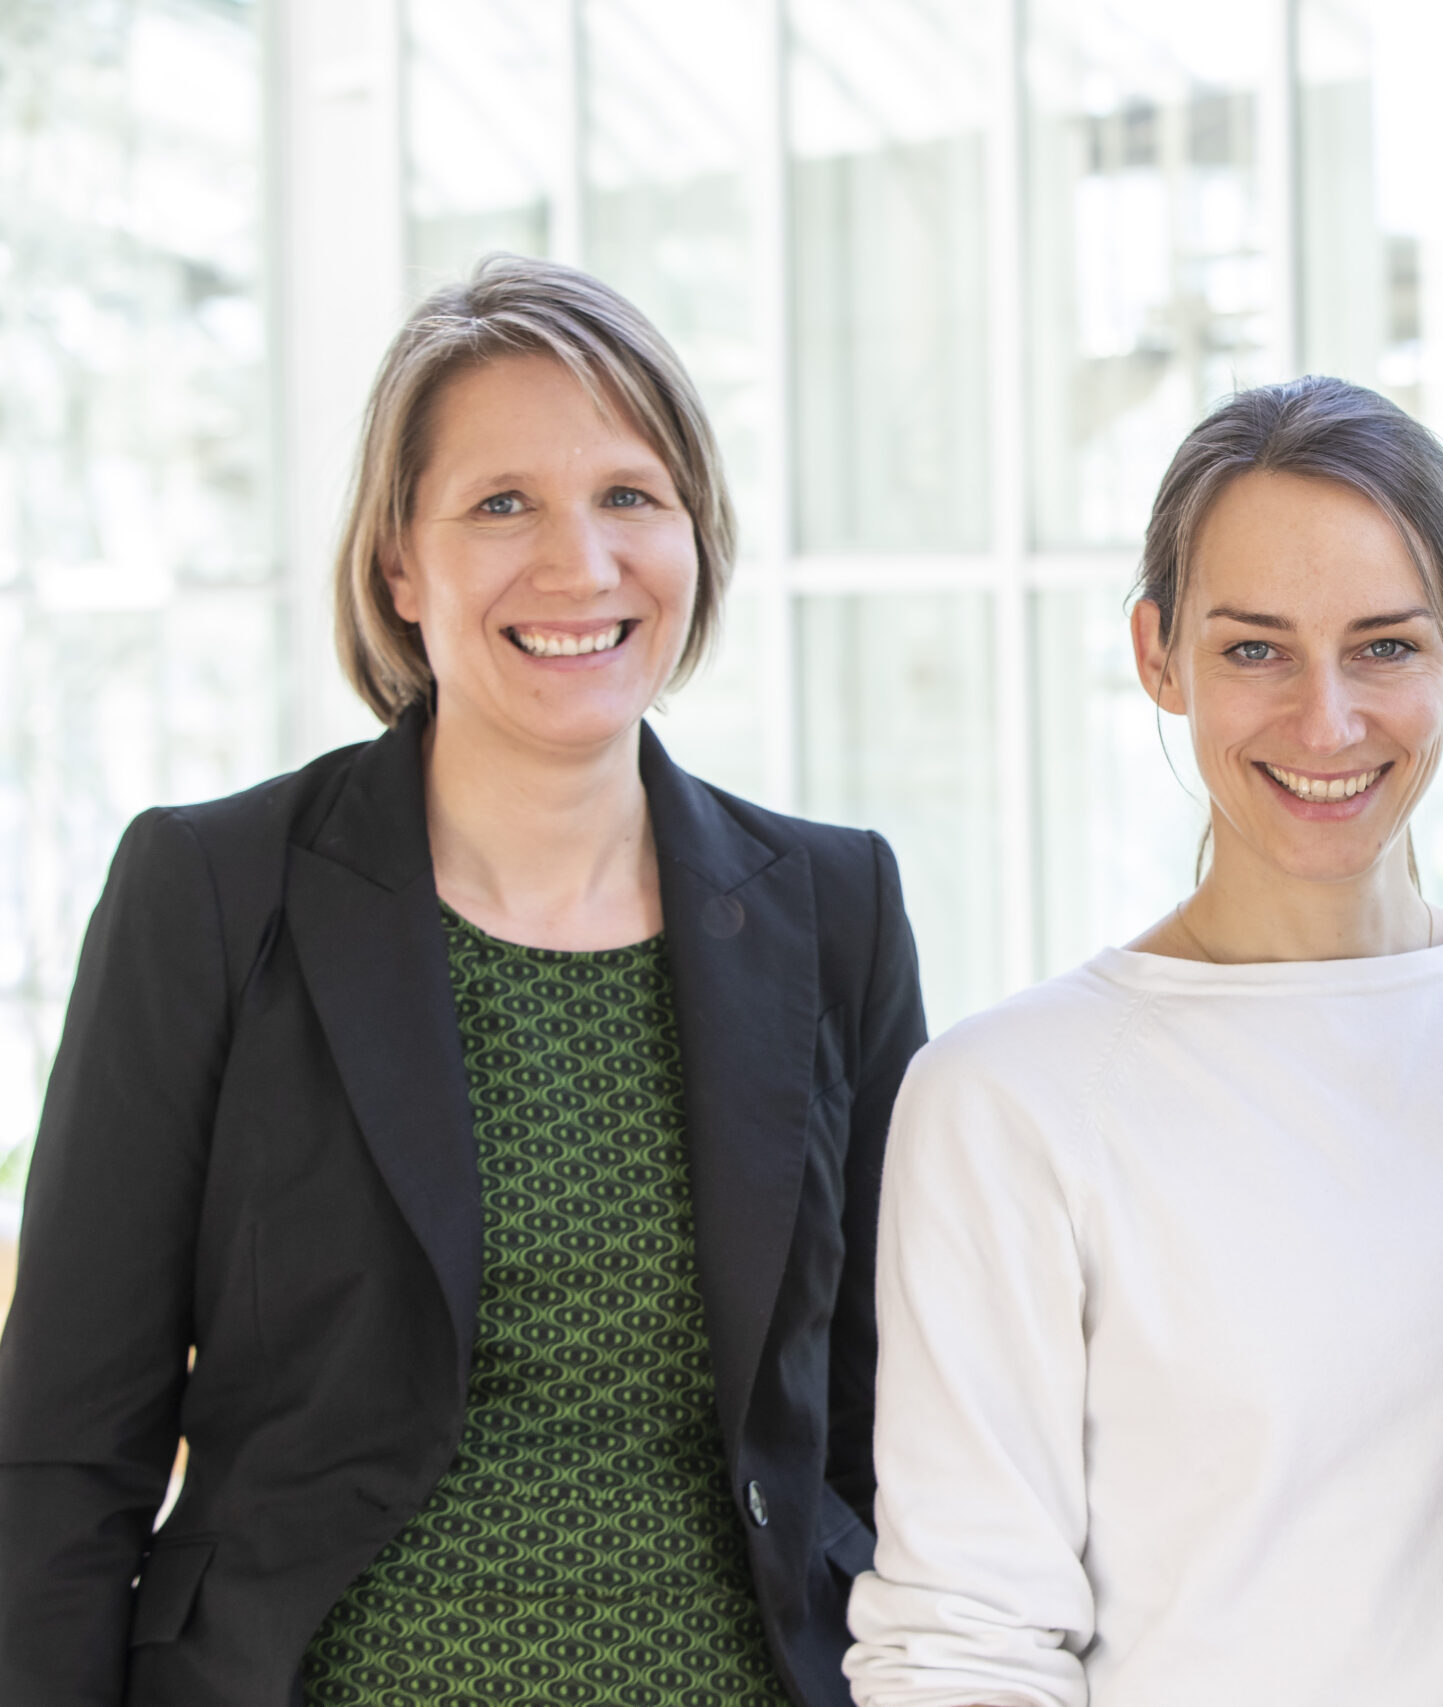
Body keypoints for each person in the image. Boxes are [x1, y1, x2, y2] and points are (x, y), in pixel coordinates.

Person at [0, 256, 928, 1706]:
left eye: (631, 495)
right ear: (399, 565)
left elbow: (882, 1439)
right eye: (503, 504)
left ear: (698, 537)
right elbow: (62, 1457)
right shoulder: (210, 894)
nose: (579, 565)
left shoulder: (838, 909)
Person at [842, 376, 1443, 1706]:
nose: (1326, 721)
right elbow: (964, 1644)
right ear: (1156, 655)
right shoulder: (1007, 1102)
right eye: (1254, 650)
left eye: (1385, 646)